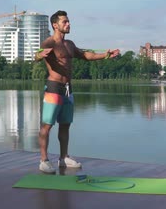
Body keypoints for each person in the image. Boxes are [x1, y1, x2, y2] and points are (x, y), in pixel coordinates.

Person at [34, 10, 120, 173]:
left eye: (68, 21)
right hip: (53, 89)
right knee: (47, 125)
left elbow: (86, 55)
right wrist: (39, 56)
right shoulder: (49, 42)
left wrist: (105, 56)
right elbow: (37, 55)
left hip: (68, 90)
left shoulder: (70, 45)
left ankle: (63, 158)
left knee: (65, 125)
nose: (68, 24)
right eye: (64, 22)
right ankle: (44, 160)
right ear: (55, 25)